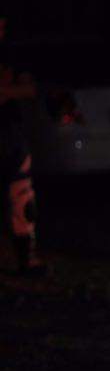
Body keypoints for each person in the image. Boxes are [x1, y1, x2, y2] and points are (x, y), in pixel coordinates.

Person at [0, 15, 43, 275]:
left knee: (22, 195)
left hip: (9, 133)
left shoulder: (11, 56)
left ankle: (27, 257)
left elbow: (29, 88)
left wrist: (6, 92)